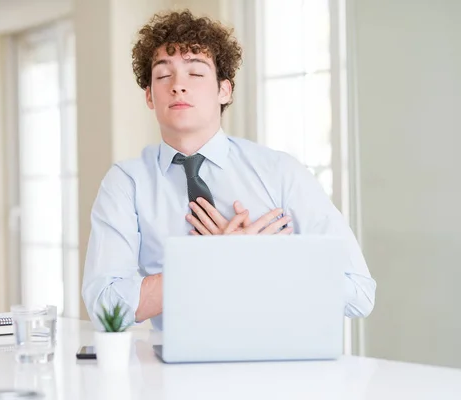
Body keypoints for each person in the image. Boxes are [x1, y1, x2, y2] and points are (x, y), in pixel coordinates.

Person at [82, 10, 376, 331]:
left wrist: (262, 261)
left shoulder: (280, 172)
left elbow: (359, 293)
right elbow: (104, 305)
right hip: (173, 373)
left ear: (225, 90)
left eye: (195, 74)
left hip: (279, 367)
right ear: (150, 96)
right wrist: (212, 260)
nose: (178, 86)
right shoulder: (126, 183)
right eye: (164, 75)